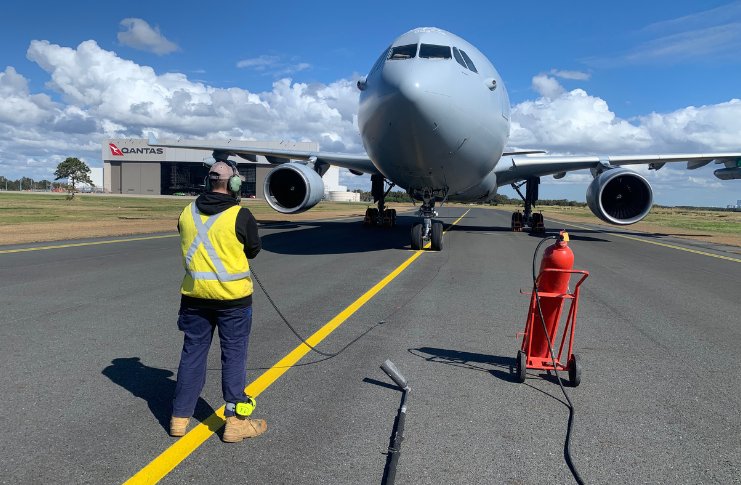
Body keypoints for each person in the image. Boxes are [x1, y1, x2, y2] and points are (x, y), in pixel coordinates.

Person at [169, 159, 266, 442]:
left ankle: (179, 418)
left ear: (207, 182)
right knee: (234, 357)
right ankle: (235, 423)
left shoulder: (186, 212)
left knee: (193, 354)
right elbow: (254, 250)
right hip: (233, 301)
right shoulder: (241, 215)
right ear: (235, 184)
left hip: (195, 297)